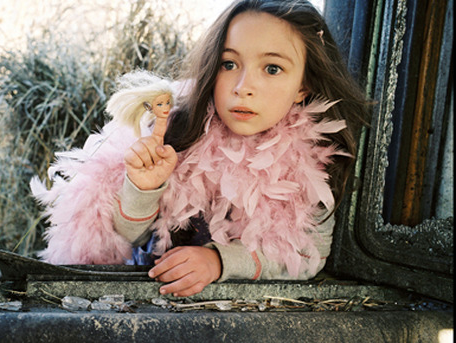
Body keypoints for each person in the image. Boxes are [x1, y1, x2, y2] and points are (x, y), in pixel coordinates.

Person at [31, 0, 368, 298]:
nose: (243, 87)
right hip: (147, 297)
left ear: (303, 86)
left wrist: (219, 261)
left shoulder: (313, 161)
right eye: (229, 64)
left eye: (272, 68)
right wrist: (143, 189)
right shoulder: (174, 131)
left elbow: (307, 257)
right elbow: (124, 237)